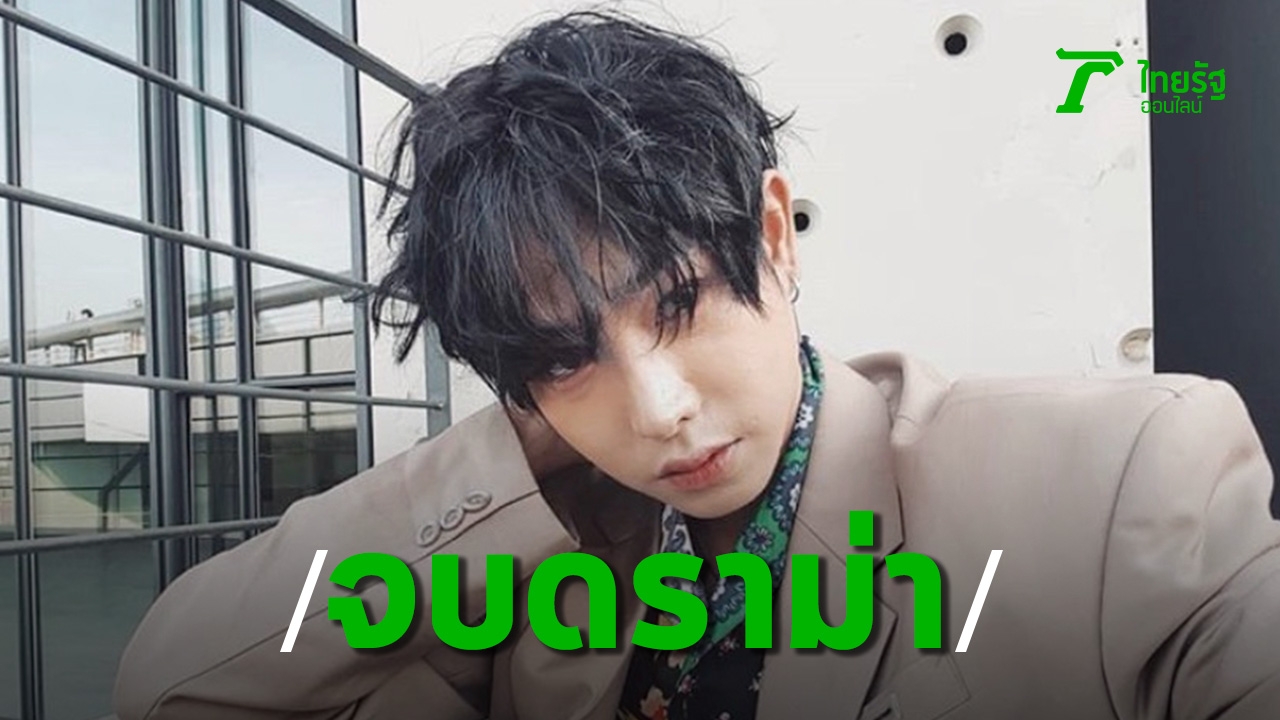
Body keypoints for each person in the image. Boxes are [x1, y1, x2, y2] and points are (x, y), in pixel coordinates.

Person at [113, 11, 1280, 720]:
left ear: (772, 235)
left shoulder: (1117, 484)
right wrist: (523, 433)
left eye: (678, 304)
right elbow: (172, 686)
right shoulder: (536, 560)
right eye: (564, 357)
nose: (660, 409)